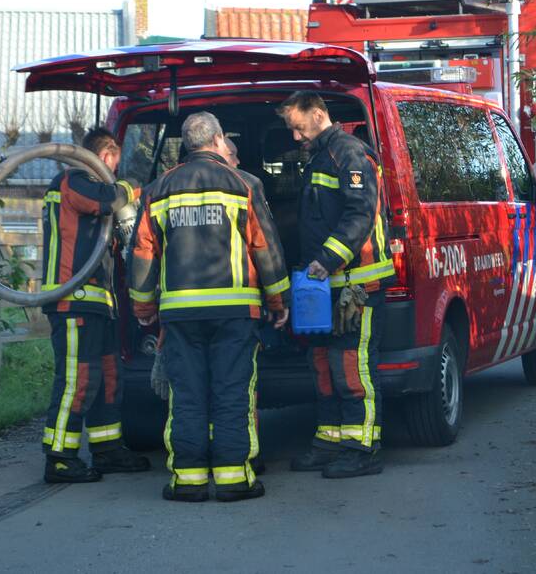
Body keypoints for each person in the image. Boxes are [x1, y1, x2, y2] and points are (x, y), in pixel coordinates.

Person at [130, 112, 290, 502]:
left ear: (186, 144)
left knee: (187, 395)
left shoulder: (158, 189)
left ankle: (188, 481)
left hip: (180, 315)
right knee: (232, 393)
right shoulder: (245, 184)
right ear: (218, 139)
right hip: (235, 313)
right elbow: (265, 248)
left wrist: (142, 308)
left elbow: (143, 253)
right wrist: (278, 300)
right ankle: (235, 480)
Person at [277, 91, 395, 479]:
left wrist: (325, 261)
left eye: (298, 127)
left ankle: (363, 447)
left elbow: (359, 214)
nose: (295, 137)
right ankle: (330, 441)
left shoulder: (348, 153)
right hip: (327, 285)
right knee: (324, 364)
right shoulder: (321, 156)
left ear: (318, 114)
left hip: (355, 286)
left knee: (353, 366)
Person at [40, 127, 151, 483]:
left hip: (97, 303)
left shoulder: (87, 185)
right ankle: (59, 457)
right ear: (104, 157)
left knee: (108, 377)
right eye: (114, 165)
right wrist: (134, 187)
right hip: (71, 301)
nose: (114, 171)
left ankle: (107, 449)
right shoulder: (72, 181)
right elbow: (108, 200)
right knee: (77, 379)